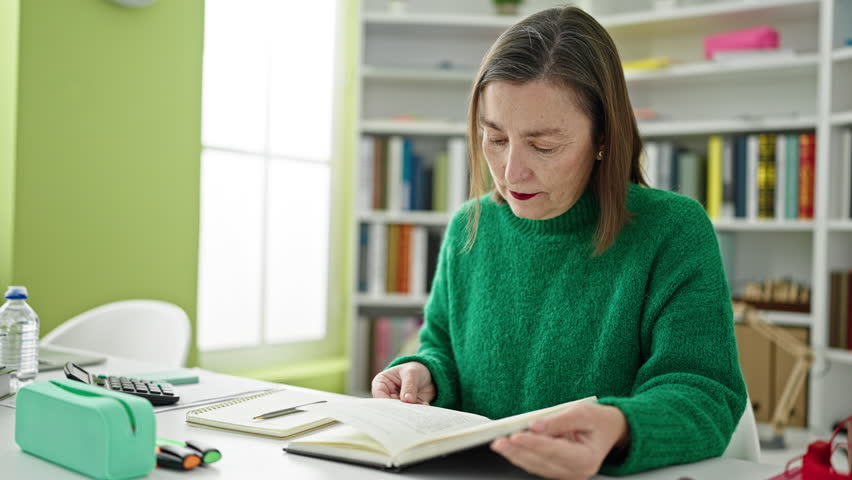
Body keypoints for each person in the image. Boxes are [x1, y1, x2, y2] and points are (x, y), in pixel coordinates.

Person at [371, 6, 747, 479]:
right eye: (495, 138)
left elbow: (706, 393)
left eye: (544, 146)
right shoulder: (472, 227)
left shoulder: (672, 231)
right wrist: (424, 374)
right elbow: (441, 348)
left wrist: (619, 426)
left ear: (603, 136)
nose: (511, 173)